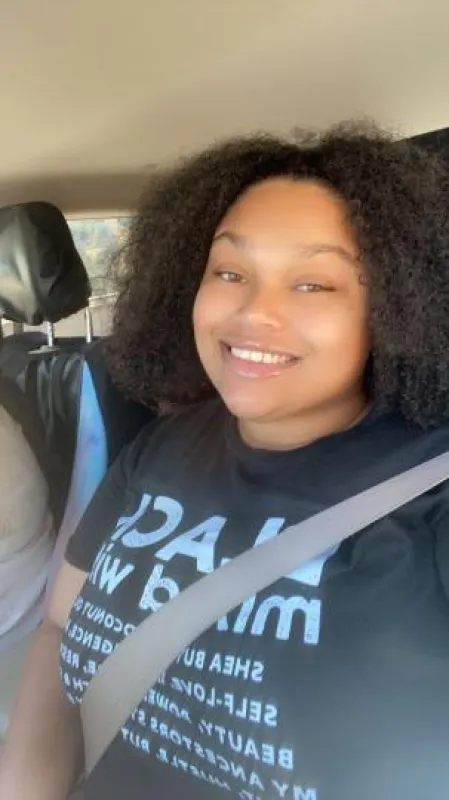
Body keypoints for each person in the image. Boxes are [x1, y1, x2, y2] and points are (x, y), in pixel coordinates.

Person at [2, 124, 449, 800]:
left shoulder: (430, 492)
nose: (252, 312)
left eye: (313, 284)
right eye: (230, 273)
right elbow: (59, 627)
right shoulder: (160, 448)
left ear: (394, 308)